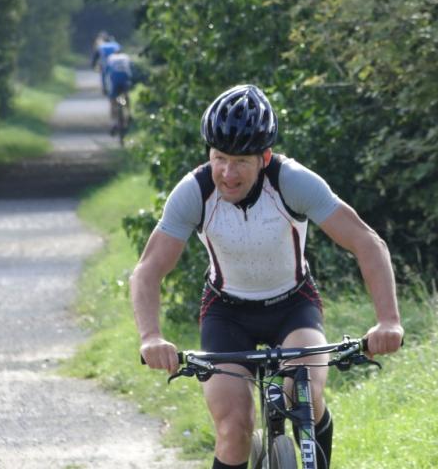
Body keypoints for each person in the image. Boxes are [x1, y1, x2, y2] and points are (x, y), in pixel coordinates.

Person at [131, 84, 404, 469]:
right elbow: (148, 270)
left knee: (304, 396)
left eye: (241, 161)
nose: (227, 173)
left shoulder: (292, 182)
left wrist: (388, 321)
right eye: (219, 158)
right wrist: (151, 337)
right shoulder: (194, 192)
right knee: (233, 428)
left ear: (265, 157)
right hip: (226, 314)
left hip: (293, 306)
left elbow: (366, 243)